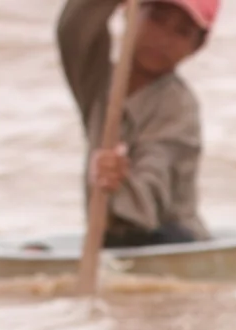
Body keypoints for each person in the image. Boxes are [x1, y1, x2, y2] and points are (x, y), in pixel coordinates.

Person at [57, 0, 217, 248]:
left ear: (195, 48)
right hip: (108, 238)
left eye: (182, 32)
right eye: (156, 18)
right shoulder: (98, 82)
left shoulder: (179, 107)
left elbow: (144, 203)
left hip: (167, 239)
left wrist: (117, 181)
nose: (164, 38)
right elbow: (74, 29)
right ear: (129, 14)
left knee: (139, 235)